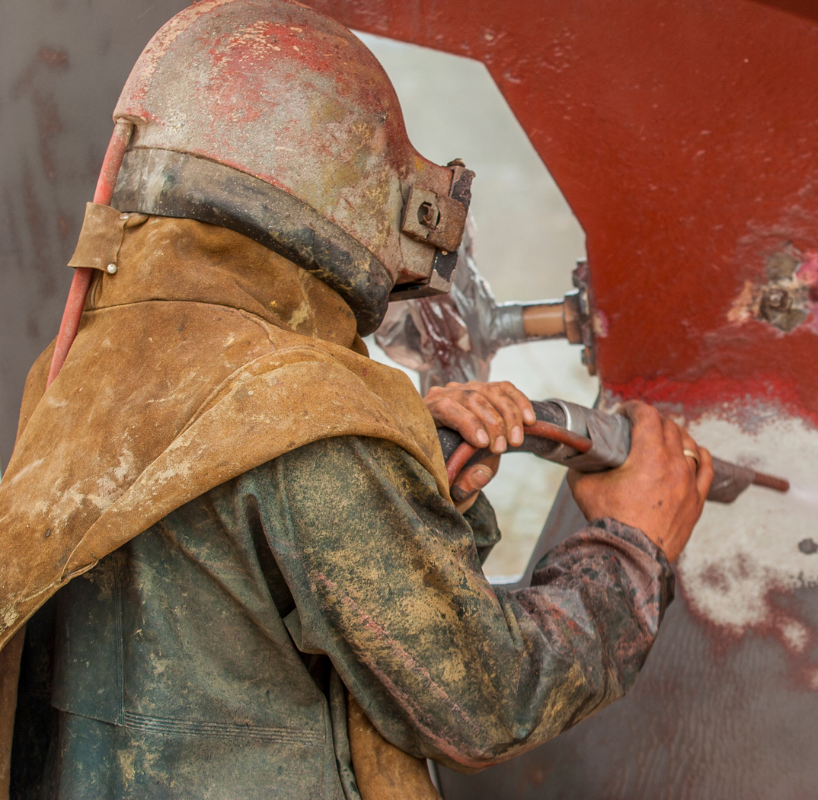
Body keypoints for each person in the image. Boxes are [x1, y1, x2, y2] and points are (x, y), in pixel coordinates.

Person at [0, 1, 712, 797]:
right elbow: (486, 700)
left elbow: (229, 607)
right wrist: (628, 546)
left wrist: (405, 462)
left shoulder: (82, 372)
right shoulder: (306, 414)